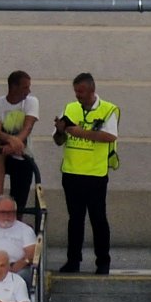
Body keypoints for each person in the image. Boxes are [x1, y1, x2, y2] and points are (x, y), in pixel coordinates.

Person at [53, 73, 118, 275]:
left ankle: (103, 262)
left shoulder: (108, 109)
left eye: (81, 91)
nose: (77, 95)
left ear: (92, 90)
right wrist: (61, 130)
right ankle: (73, 261)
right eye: (75, 91)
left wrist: (79, 132)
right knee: (75, 220)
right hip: (71, 172)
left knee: (98, 219)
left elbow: (110, 136)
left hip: (95, 174)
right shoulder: (70, 108)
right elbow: (58, 141)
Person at [0, 70, 39, 207]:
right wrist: (13, 141)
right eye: (25, 87)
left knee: (19, 203)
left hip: (24, 155)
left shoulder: (32, 101)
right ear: (14, 87)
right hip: (2, 151)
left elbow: (28, 127)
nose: (28, 91)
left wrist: (15, 144)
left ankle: (17, 217)